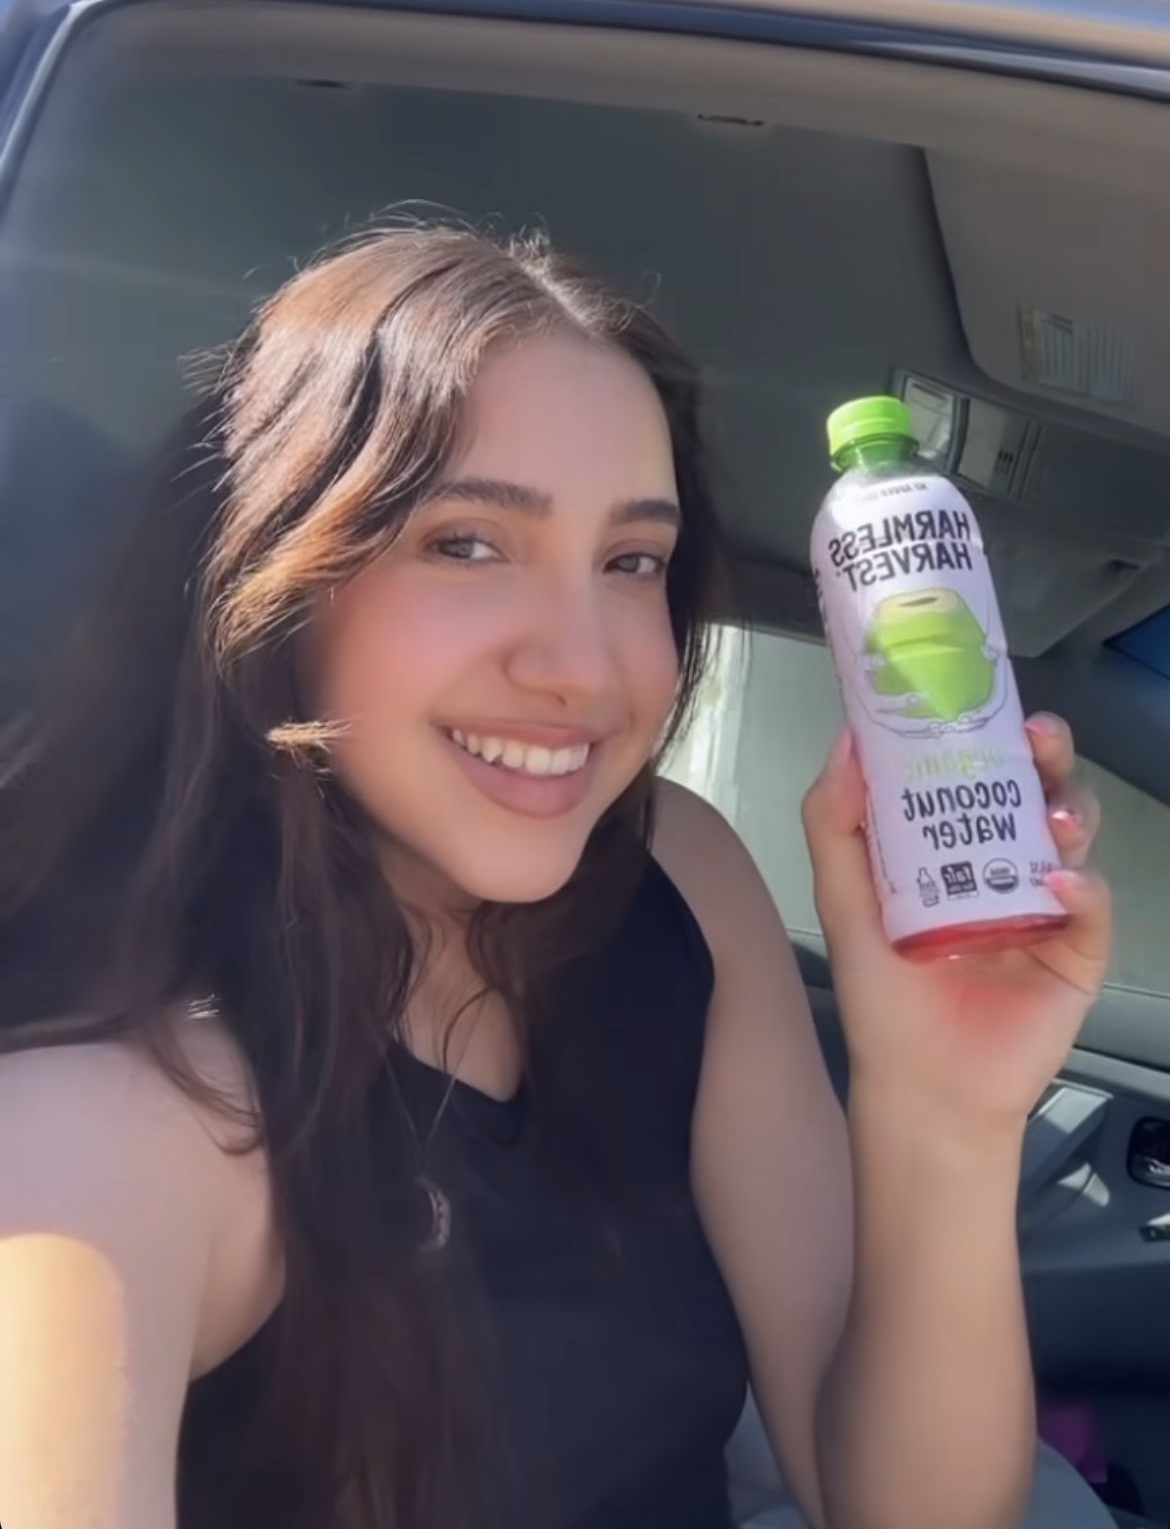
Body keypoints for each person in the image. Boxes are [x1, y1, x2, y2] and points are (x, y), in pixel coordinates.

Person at [0, 222, 1113, 1529]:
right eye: (466, 543)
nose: (583, 666)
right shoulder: (114, 1118)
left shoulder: (679, 875)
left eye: (628, 562)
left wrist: (943, 1110)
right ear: (278, 575)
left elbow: (898, 1508)